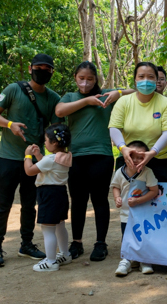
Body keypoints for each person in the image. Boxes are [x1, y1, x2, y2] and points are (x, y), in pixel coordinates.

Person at [0, 53, 61, 267]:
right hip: (8, 158)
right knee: (2, 204)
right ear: (30, 68)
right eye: (39, 67)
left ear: (51, 73)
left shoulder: (53, 98)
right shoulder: (13, 89)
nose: (43, 72)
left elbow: (55, 131)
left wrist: (48, 157)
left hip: (34, 161)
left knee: (30, 205)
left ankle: (26, 245)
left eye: (47, 69)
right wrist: (10, 124)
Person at [56, 61, 134, 262]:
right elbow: (59, 111)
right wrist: (87, 101)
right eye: (81, 78)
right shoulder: (70, 97)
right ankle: (77, 243)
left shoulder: (107, 95)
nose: (85, 82)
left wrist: (118, 92)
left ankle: (101, 244)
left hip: (101, 156)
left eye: (90, 79)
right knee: (78, 201)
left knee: (99, 200)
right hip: (76, 157)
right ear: (75, 78)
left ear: (96, 80)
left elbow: (135, 91)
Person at [109, 62, 167, 182]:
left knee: (158, 199)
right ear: (135, 80)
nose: (146, 80)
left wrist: (152, 152)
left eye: (151, 77)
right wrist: (123, 148)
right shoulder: (123, 101)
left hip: (159, 161)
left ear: (156, 80)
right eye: (141, 76)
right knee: (128, 199)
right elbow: (114, 128)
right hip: (129, 159)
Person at [23, 124, 73, 272]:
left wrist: (28, 156)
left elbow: (30, 171)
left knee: (47, 229)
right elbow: (48, 166)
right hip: (60, 193)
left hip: (48, 195)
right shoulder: (64, 156)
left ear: (55, 142)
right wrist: (39, 156)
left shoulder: (51, 159)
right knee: (59, 225)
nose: (44, 142)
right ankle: (65, 254)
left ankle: (51, 262)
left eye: (46, 140)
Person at [111, 141, 160, 277]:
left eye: (140, 157)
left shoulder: (147, 172)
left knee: (143, 235)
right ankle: (126, 260)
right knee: (126, 236)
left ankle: (144, 260)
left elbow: (154, 191)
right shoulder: (120, 172)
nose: (136, 160)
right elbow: (115, 186)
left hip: (143, 213)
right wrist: (117, 198)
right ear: (126, 156)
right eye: (133, 156)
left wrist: (139, 200)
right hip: (126, 214)